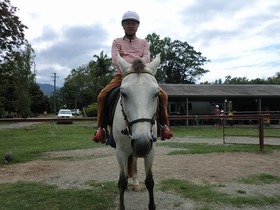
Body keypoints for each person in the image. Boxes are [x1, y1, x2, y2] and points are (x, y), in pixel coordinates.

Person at [93, 11, 173, 143]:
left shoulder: (144, 42)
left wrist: (129, 61)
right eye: (127, 23)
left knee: (163, 95)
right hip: (121, 75)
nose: (130, 25)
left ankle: (164, 126)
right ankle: (101, 129)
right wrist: (133, 63)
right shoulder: (117, 42)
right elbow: (115, 58)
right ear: (123, 26)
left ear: (137, 26)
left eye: (133, 23)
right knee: (102, 96)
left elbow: (146, 58)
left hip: (142, 75)